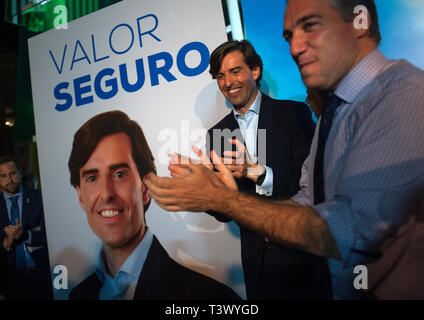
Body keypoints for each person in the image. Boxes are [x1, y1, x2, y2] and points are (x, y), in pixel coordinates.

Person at [145, 0, 424, 299]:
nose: (294, 48)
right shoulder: (335, 114)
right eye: (290, 36)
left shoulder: (398, 94)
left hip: (305, 266)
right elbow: (308, 197)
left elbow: (344, 227)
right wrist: (212, 193)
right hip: (261, 271)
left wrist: (243, 184)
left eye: (310, 26)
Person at [172, 40, 329, 299]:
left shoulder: (293, 114)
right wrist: (205, 191)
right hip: (259, 269)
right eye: (220, 76)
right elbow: (226, 213)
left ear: (254, 72)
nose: (228, 82)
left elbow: (313, 187)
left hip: (302, 259)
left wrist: (257, 173)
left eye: (235, 71)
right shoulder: (218, 133)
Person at [67, 110, 240, 300]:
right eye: (92, 177)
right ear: (80, 195)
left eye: (119, 174)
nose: (107, 194)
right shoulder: (78, 295)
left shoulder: (211, 298)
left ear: (146, 187)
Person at [0, 155, 53, 300]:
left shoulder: (39, 197)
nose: (9, 180)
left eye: (12, 174)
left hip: (42, 275)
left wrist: (26, 235)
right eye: (3, 176)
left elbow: (52, 234)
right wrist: (6, 243)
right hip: (11, 280)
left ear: (20, 172)